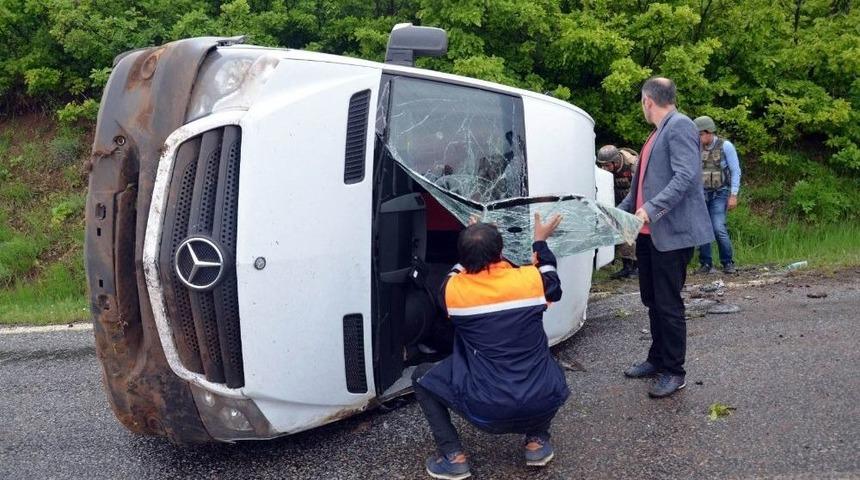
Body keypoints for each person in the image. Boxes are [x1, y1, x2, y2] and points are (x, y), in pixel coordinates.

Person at [413, 213, 568, 480]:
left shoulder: (452, 292)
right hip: (543, 400)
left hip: (488, 411)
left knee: (421, 377)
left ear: (462, 256)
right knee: (547, 369)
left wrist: (474, 244)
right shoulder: (530, 281)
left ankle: (453, 457)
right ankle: (537, 442)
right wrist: (540, 241)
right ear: (501, 251)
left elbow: (454, 273)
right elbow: (551, 279)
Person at [617, 77, 714, 398]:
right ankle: (657, 359)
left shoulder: (680, 126)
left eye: (641, 102)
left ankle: (675, 371)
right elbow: (640, 185)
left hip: (671, 234)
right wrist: (619, 214)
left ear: (648, 100)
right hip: (648, 234)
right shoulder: (657, 133)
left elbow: (687, 176)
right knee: (652, 300)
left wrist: (650, 209)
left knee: (669, 305)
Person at [693, 115, 741, 274]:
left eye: (699, 134)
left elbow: (735, 171)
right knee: (703, 228)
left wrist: (733, 194)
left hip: (720, 193)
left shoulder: (726, 146)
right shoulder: (695, 148)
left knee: (718, 227)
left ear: (708, 132)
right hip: (701, 194)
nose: (698, 137)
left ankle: (728, 262)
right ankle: (706, 264)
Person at [597, 145, 640, 279]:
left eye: (607, 166)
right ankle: (627, 266)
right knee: (621, 233)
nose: (604, 169)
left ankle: (638, 266)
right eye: (602, 165)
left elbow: (639, 187)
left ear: (615, 162)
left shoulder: (634, 165)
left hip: (635, 200)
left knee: (636, 233)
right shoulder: (606, 170)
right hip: (618, 201)